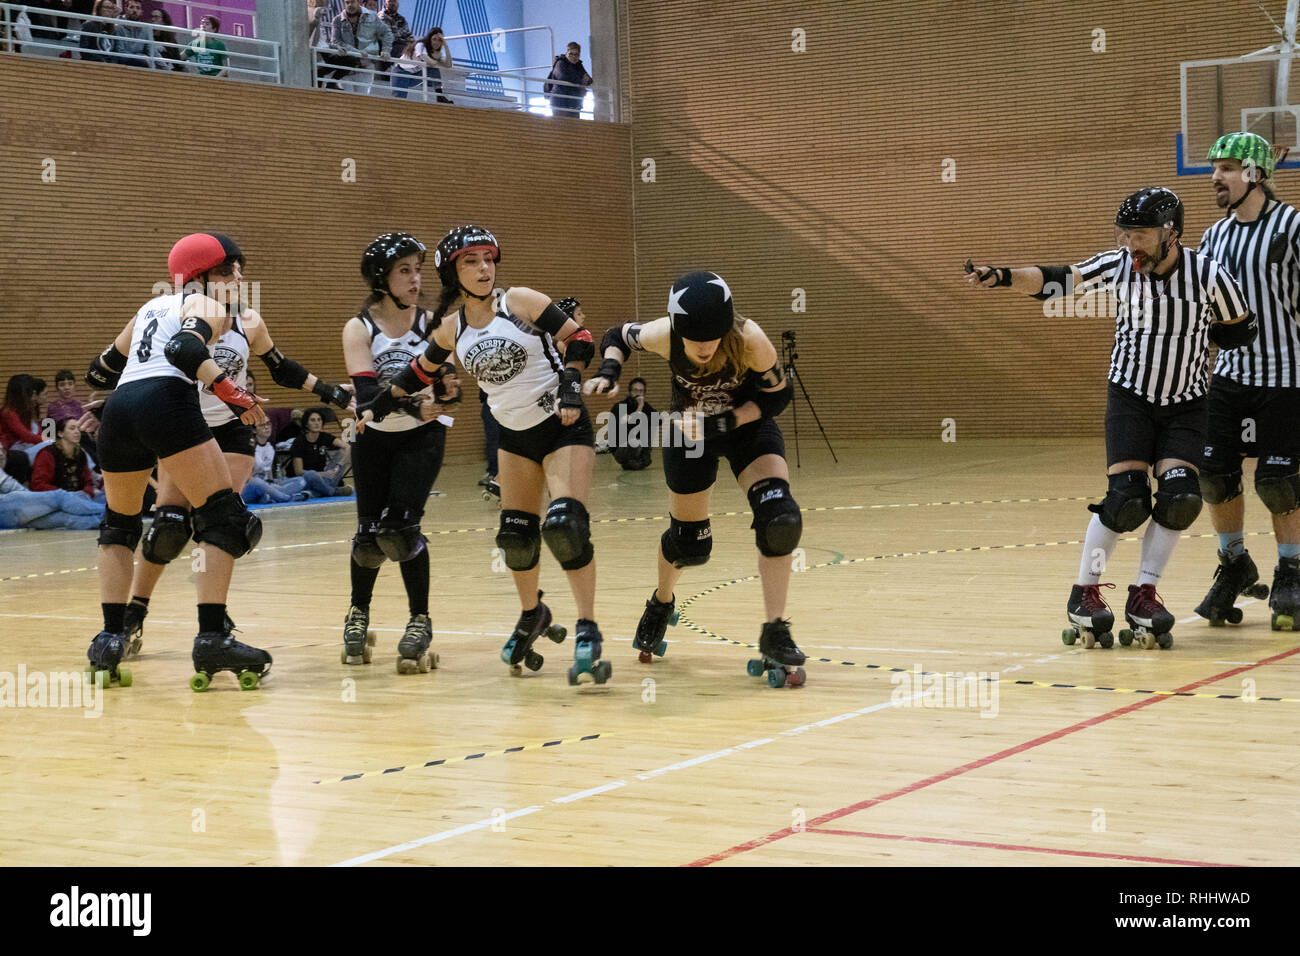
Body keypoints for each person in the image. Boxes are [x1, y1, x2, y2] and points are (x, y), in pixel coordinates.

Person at [964, 187, 1255, 650]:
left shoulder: (1209, 274)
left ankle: (1144, 594)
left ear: (1171, 234)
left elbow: (1243, 327)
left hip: (1186, 403)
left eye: (1140, 236)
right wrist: (1002, 276)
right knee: (1127, 501)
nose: (1130, 245)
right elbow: (1059, 279)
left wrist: (1208, 334)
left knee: (1180, 498)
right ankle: (1085, 591)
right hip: (1131, 398)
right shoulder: (1120, 265)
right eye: (1125, 235)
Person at [360, 225, 610, 684]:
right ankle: (532, 613)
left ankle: (588, 625)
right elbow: (420, 370)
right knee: (516, 537)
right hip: (513, 439)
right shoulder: (452, 328)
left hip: (561, 427)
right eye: (471, 262)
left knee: (566, 527)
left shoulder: (520, 302)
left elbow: (580, 340)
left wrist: (572, 386)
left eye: (488, 259)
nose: (483, 268)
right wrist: (379, 402)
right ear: (453, 273)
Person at [585, 271, 808, 684]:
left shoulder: (748, 338)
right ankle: (661, 602)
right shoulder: (663, 334)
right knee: (689, 546)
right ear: (679, 330)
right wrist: (611, 370)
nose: (705, 347)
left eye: (713, 338)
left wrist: (725, 424)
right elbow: (617, 334)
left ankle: (775, 629)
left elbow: (779, 394)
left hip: (745, 428)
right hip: (688, 435)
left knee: (780, 519)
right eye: (695, 339)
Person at [116, 278, 353, 656]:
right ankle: (134, 612)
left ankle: (212, 624)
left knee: (218, 523)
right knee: (169, 528)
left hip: (230, 432)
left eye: (240, 273)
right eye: (229, 272)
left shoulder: (249, 321)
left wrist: (328, 391)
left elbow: (281, 368)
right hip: (182, 426)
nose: (238, 281)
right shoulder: (180, 314)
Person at [79, 232, 272, 689]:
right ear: (200, 277)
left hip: (122, 408)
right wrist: (234, 393)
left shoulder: (149, 308)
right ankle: (211, 639)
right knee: (226, 521)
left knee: (119, 524)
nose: (238, 277)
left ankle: (109, 637)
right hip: (166, 404)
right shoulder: (207, 306)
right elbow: (184, 351)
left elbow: (98, 371)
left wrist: (131, 390)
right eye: (227, 271)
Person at [1193, 133, 1300, 632]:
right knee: (1214, 476)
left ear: (1255, 174)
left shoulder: (1293, 226)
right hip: (1229, 377)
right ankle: (1235, 564)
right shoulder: (1213, 238)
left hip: (1286, 376)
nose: (1215, 176)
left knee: (1277, 483)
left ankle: (1292, 570)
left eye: (1228, 167)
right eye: (1214, 168)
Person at [340, 232, 454, 672]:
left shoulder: (433, 323)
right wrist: (418, 400)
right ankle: (358, 611)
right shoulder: (359, 328)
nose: (414, 278)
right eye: (404, 270)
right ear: (381, 279)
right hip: (372, 436)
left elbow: (446, 392)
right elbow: (368, 397)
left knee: (400, 530)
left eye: (417, 269)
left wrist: (439, 398)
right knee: (369, 540)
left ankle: (419, 619)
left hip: (421, 438)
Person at [0, 444, 103, 531]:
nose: (1, 454)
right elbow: (20, 491)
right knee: (60, 497)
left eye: (1, 450)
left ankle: (106, 521)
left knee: (65, 518)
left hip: (8, 519)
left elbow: (19, 492)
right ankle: (112, 514)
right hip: (4, 510)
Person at [241, 420, 310, 504]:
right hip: (248, 487)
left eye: (268, 424)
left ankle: (269, 497)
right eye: (262, 425)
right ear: (254, 430)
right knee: (257, 482)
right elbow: (247, 478)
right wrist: (266, 486)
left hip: (267, 485)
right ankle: (286, 498)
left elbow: (271, 475)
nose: (266, 427)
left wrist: (273, 484)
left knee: (300, 481)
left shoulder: (270, 448)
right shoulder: (248, 447)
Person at [329, 0, 392, 88]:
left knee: (363, 99)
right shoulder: (337, 20)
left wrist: (386, 50)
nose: (350, 5)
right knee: (346, 99)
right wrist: (355, 51)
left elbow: (387, 33)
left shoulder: (372, 17)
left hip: (366, 67)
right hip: (347, 69)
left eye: (353, 2)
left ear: (359, 2)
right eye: (347, 2)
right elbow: (335, 41)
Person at [30, 418, 97, 496]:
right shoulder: (48, 454)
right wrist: (65, 495)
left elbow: (88, 482)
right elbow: (38, 484)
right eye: (72, 428)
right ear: (60, 433)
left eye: (78, 429)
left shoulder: (80, 454)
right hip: (53, 499)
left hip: (78, 498)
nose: (77, 432)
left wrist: (85, 493)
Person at [1, 374, 48, 483]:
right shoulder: (8, 412)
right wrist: (48, 441)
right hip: (11, 452)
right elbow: (25, 435)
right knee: (49, 449)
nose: (33, 397)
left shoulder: (24, 411)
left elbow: (35, 432)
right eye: (31, 393)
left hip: (22, 447)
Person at [608, 377, 655, 471]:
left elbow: (659, 420)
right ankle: (632, 462)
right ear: (630, 391)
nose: (638, 393)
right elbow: (628, 428)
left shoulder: (646, 406)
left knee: (648, 426)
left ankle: (639, 460)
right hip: (621, 449)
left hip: (639, 448)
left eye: (641, 391)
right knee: (635, 441)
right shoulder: (619, 407)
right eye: (635, 390)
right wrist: (639, 409)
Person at [544, 42, 593, 118]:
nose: (573, 57)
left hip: (574, 103)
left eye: (576, 54)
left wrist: (585, 80)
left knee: (574, 127)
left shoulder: (578, 65)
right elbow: (563, 77)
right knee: (562, 126)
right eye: (571, 54)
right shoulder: (560, 63)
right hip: (560, 102)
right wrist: (581, 81)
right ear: (566, 53)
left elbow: (588, 79)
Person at [415, 25, 452, 103]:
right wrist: (434, 62)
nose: (436, 42)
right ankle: (439, 96)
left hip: (418, 76)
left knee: (433, 69)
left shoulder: (436, 53)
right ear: (429, 39)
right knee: (433, 68)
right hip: (405, 73)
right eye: (434, 39)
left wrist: (446, 46)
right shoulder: (420, 45)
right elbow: (422, 56)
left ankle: (439, 96)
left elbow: (448, 65)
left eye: (439, 40)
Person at [114, 0, 150, 67]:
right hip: (122, 66)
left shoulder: (145, 29)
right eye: (132, 7)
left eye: (138, 8)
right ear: (126, 9)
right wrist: (141, 57)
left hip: (141, 65)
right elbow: (120, 53)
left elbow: (151, 52)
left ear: (141, 12)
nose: (135, 10)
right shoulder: (118, 26)